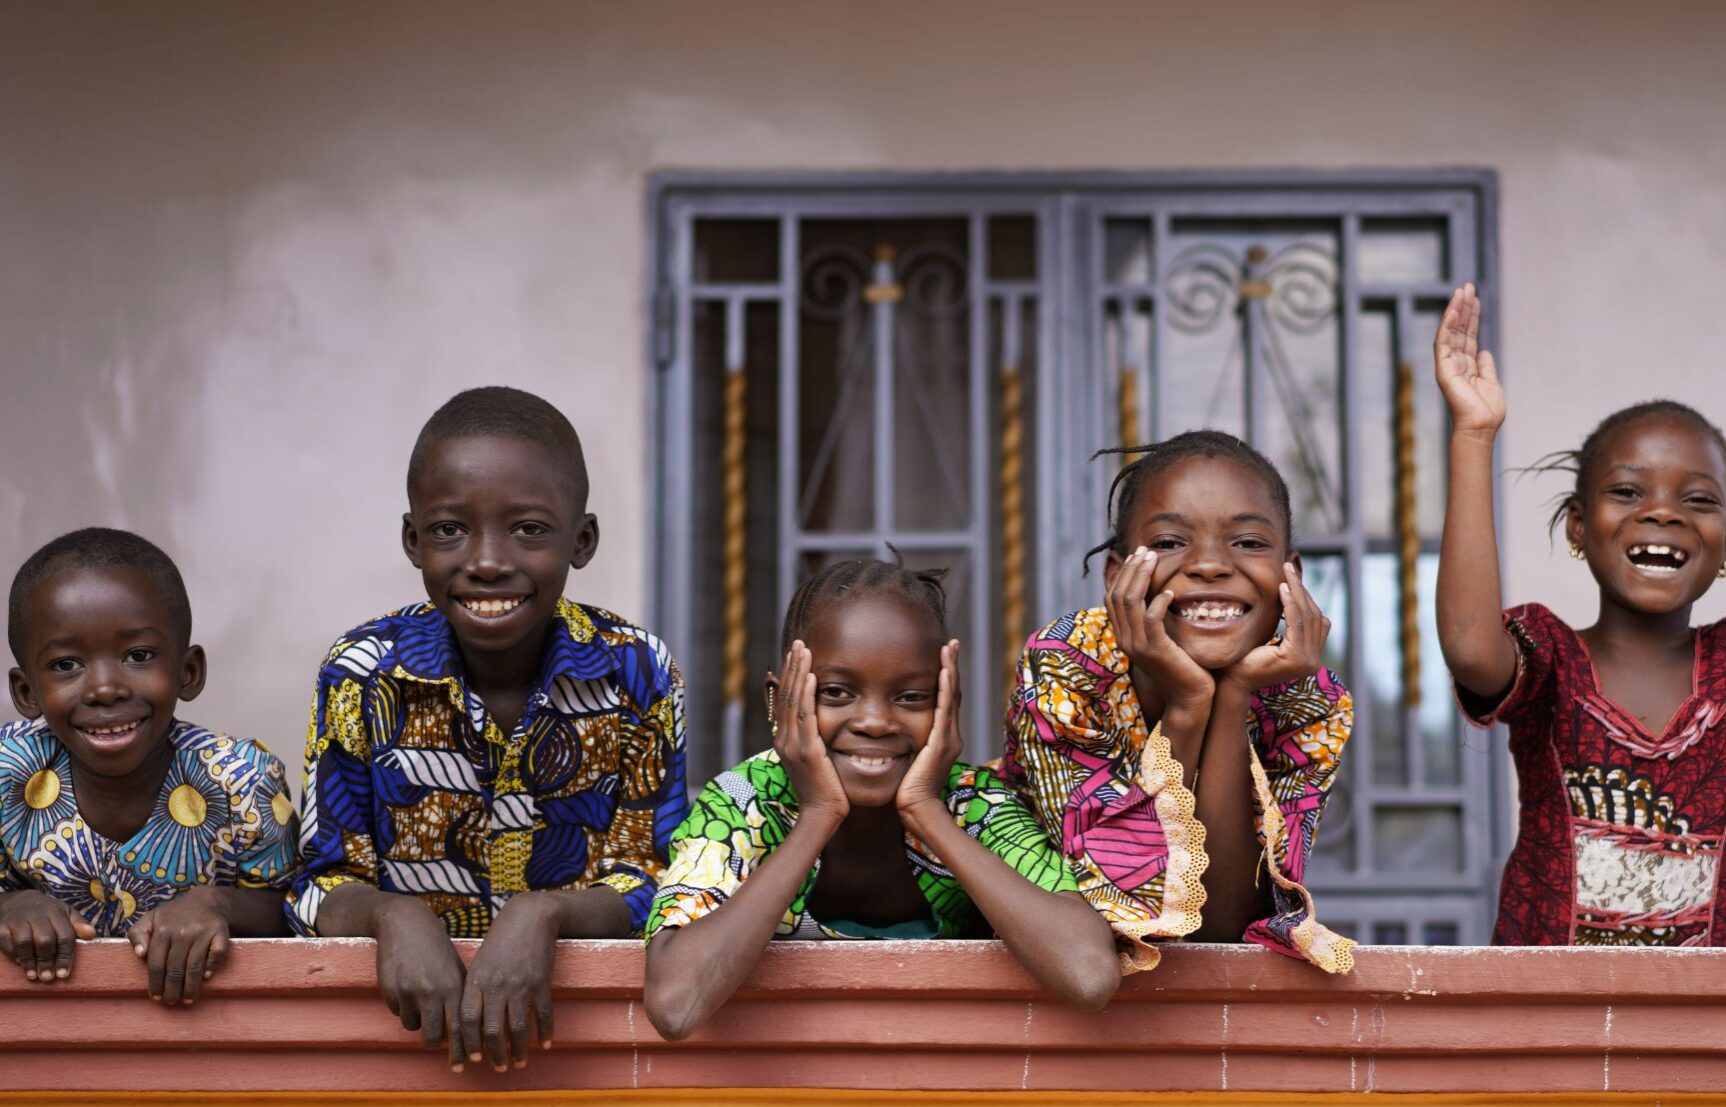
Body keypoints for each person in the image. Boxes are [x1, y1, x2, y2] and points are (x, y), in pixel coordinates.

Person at [289, 386, 688, 1070]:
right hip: (399, 1054)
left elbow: (653, 878)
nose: (486, 560)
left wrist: (542, 914)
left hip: (586, 1055)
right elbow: (316, 885)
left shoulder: (636, 670)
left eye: (528, 529)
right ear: (413, 541)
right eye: (449, 529)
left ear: (581, 540)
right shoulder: (361, 674)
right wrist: (393, 916)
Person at [643, 557, 1121, 1040]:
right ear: (780, 699)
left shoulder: (974, 804)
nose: (874, 720)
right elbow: (676, 1006)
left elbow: (1089, 975)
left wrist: (926, 810)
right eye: (835, 692)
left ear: (948, 704)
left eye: (912, 697)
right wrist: (817, 814)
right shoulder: (744, 800)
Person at [1435, 283, 1726, 946]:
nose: (1661, 511)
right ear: (1576, 526)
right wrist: (1473, 436)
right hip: (1555, 1015)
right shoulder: (1547, 656)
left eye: (1698, 500)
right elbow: (1468, 645)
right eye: (1626, 491)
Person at [1001, 431, 1354, 975]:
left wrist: (1233, 696)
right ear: (1118, 577)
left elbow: (1221, 924)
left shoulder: (1310, 702)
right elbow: (1129, 899)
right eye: (1169, 543)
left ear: (1293, 577)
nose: (1210, 565)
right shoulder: (1066, 665)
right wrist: (1190, 703)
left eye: (1249, 543)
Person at [0, 528, 296, 1003]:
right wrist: (10, 904)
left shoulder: (244, 779)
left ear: (188, 671)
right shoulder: (6, 774)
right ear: (26, 693)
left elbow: (298, 909)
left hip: (210, 1037)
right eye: (65, 665)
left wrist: (216, 903)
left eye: (138, 656)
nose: (104, 688)